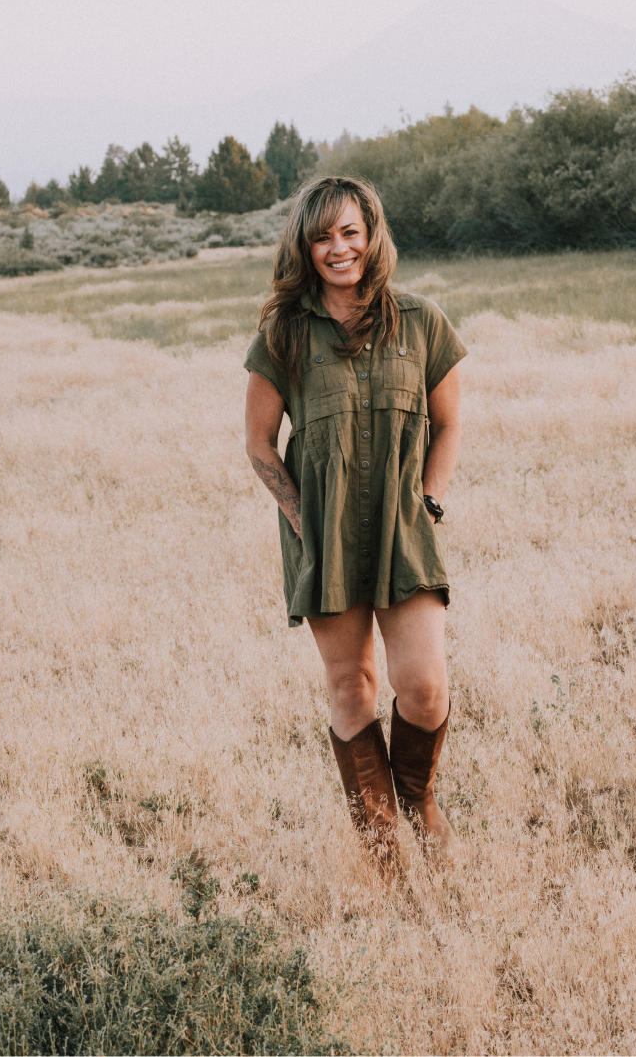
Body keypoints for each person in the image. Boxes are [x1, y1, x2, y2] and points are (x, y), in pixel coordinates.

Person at [244, 175, 466, 874]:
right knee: (351, 688)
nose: (338, 248)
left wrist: (429, 500)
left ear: (371, 235)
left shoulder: (421, 320)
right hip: (324, 535)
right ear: (304, 248)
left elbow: (450, 421)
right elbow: (258, 442)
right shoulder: (283, 333)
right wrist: (300, 519)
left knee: (423, 686)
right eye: (321, 237)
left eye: (349, 231)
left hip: (405, 527)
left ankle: (420, 800)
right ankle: (383, 853)